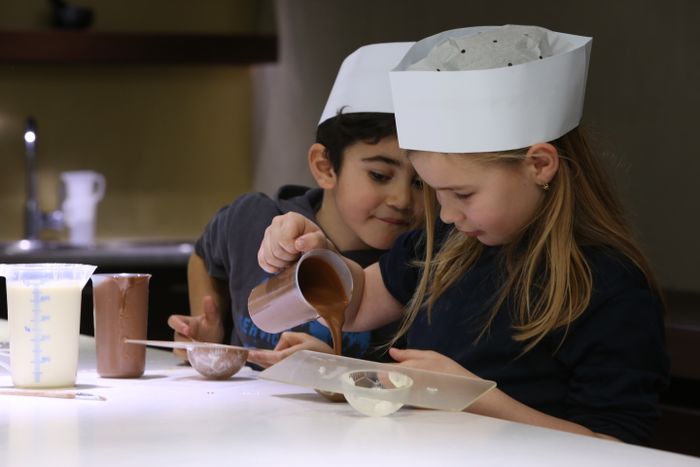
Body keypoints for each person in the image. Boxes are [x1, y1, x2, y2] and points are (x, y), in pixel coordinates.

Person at [256, 25, 668, 445]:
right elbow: (358, 302)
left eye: (462, 193)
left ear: (540, 165)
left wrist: (473, 397)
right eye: (434, 192)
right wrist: (315, 253)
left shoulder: (609, 287)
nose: (447, 215)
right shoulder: (444, 248)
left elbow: (617, 448)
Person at [168, 42, 424, 367]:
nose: (402, 200)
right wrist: (209, 322)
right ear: (325, 166)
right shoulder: (255, 220)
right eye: (379, 175)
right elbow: (205, 253)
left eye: (420, 183)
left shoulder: (413, 266)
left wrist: (332, 370)